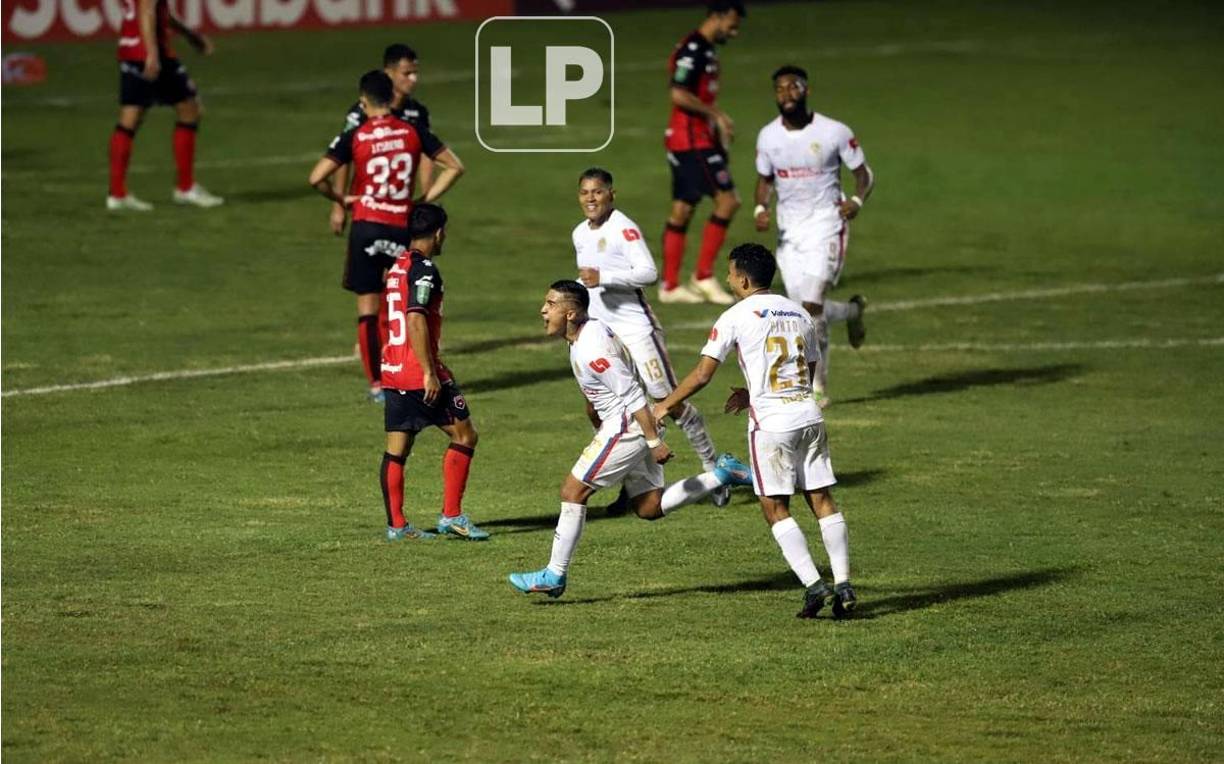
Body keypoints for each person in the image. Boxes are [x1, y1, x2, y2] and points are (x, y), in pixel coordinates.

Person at [508, 280, 750, 598]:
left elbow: (633, 395)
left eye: (550, 304)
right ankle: (722, 474)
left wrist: (653, 442)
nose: (543, 310)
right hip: (631, 423)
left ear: (570, 314)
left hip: (628, 425)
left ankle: (554, 575)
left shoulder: (592, 349)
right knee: (649, 506)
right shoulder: (587, 331)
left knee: (573, 491)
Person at [653, 244, 857, 619]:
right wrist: (756, 392)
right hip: (808, 416)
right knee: (822, 499)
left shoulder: (735, 315)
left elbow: (703, 374)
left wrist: (664, 405)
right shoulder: (799, 311)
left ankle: (815, 585)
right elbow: (806, 370)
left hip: (772, 425)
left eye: (730, 274)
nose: (728, 279)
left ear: (744, 280)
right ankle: (844, 583)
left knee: (774, 507)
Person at [573, 167, 732, 509]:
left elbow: (648, 273)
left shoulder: (624, 229)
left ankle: (713, 469)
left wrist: (605, 277)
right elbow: (588, 285)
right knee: (603, 409)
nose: (591, 198)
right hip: (604, 335)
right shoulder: (579, 234)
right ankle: (634, 485)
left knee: (666, 400)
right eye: (585, 192)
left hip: (636, 330)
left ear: (611, 194)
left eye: (597, 191)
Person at [308, 70, 463, 402]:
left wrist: (340, 199)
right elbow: (455, 166)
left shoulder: (357, 134)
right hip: (400, 224)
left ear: (364, 101)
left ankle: (377, 384)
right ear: (391, 97)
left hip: (366, 225)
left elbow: (316, 178)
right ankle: (411, 374)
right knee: (408, 302)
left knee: (368, 306)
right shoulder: (411, 130)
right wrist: (425, 198)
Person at [753, 65, 875, 404]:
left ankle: (816, 388)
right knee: (804, 313)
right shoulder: (768, 137)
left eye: (793, 87)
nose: (786, 94)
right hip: (789, 233)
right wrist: (760, 208)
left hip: (827, 225)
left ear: (806, 90)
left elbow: (864, 174)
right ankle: (852, 312)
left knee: (809, 307)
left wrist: (856, 201)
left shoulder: (834, 131)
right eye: (780, 89)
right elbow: (764, 180)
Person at [376, 204, 488, 541]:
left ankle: (397, 526)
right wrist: (429, 372)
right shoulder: (424, 269)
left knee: (397, 448)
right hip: (417, 370)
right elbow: (415, 317)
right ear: (438, 233)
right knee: (465, 435)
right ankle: (451, 515)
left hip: (393, 369)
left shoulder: (397, 266)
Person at [658, 0, 746, 305]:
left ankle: (670, 286)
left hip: (694, 139)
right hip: (691, 141)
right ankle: (703, 275)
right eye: (732, 25)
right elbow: (678, 93)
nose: (734, 33)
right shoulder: (693, 50)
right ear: (717, 17)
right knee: (728, 201)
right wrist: (716, 114)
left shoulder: (706, 50)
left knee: (683, 208)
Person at [328, 44, 465, 237]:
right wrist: (338, 206)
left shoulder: (417, 112)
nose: (414, 79)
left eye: (415, 73)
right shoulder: (363, 112)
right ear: (389, 73)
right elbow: (342, 159)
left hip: (401, 209)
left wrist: (426, 199)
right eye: (406, 73)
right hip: (367, 209)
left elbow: (428, 156)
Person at [107, 0, 223, 211]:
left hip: (129, 50)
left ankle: (117, 194)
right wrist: (152, 53)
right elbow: (147, 10)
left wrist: (190, 35)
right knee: (190, 110)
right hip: (151, 51)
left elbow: (159, 12)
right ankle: (185, 188)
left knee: (130, 118)